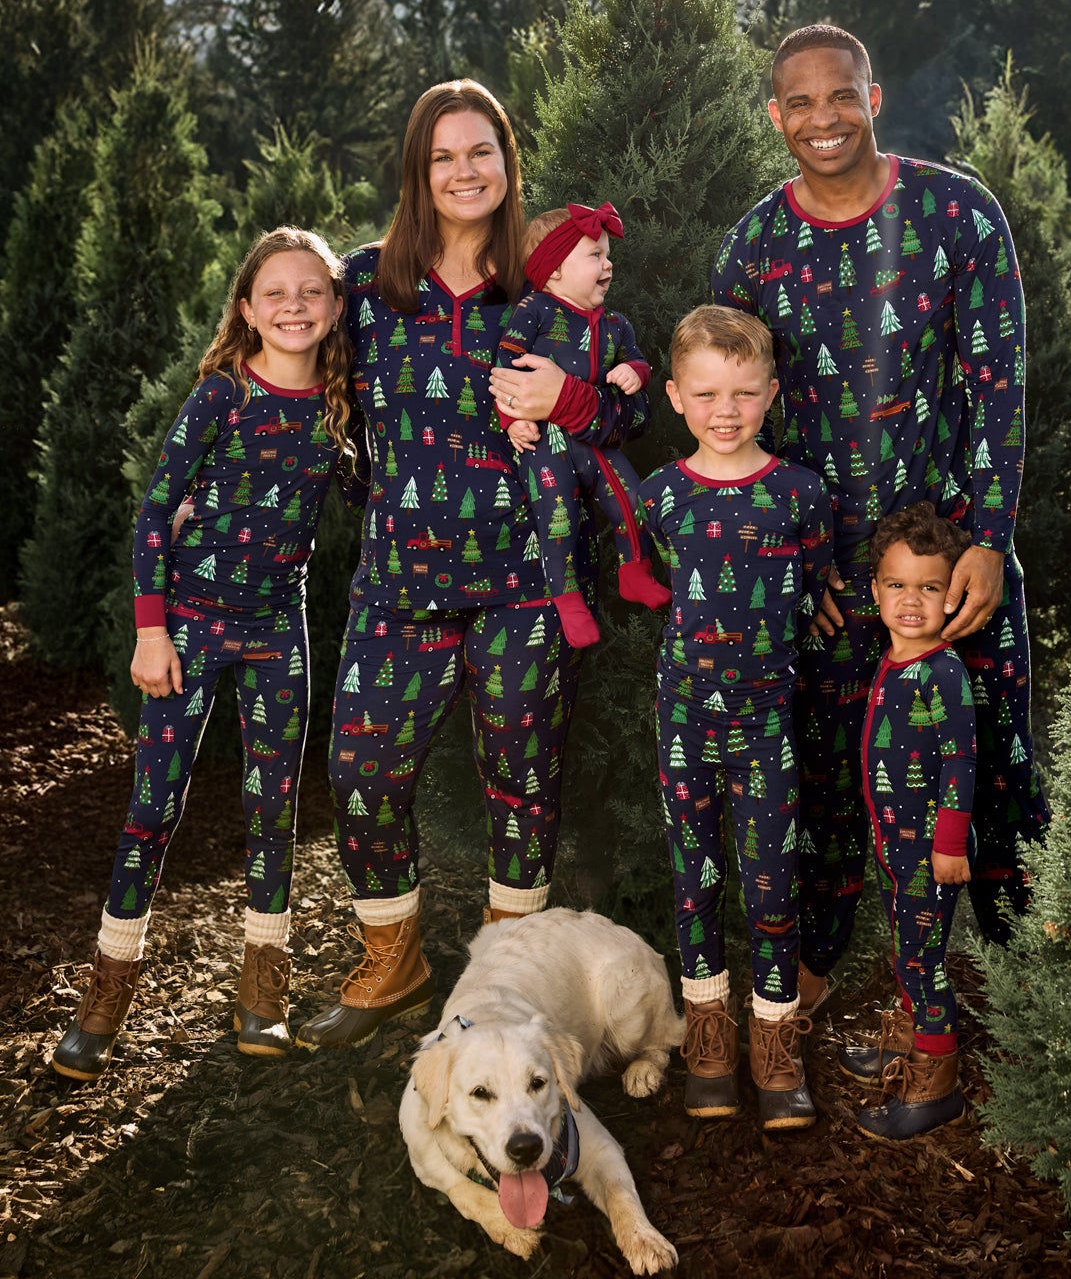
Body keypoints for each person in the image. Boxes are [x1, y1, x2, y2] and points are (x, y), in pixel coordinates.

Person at [296, 80, 647, 1051]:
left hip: (522, 582)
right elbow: (288, 369)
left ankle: (505, 969)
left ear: (507, 162)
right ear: (418, 169)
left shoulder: (545, 286)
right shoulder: (365, 284)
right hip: (398, 583)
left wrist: (569, 396)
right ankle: (392, 962)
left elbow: (625, 414)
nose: (463, 171)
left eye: (480, 152)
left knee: (521, 774)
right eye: (443, 155)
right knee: (360, 769)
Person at [712, 23, 1049, 1012]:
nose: (822, 120)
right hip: (826, 580)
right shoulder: (753, 249)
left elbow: (996, 385)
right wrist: (792, 569)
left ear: (873, 96)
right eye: (799, 104)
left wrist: (988, 537)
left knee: (986, 755)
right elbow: (735, 422)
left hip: (946, 558)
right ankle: (812, 967)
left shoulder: (957, 213)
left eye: (839, 96)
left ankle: (1010, 975)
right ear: (775, 116)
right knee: (822, 780)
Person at [52, 227, 365, 1079]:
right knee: (154, 809)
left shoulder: (340, 407)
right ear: (247, 309)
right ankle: (106, 996)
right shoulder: (220, 398)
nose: (294, 306)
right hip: (190, 625)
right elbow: (156, 513)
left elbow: (373, 493)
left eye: (313, 292)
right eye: (276, 293)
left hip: (279, 634)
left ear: (336, 307)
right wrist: (151, 631)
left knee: (275, 813)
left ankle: (263, 997)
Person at [637, 305, 833, 1130]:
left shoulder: (798, 494)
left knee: (772, 885)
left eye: (746, 393)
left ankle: (774, 1043)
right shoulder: (660, 498)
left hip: (765, 726)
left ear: (771, 394)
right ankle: (708, 1041)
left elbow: (815, 583)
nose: (727, 410)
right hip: (684, 717)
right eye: (709, 392)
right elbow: (650, 584)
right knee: (695, 879)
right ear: (677, 396)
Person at [839, 502, 975, 1138]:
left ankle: (935, 1080)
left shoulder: (943, 672)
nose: (912, 601)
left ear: (952, 596)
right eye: (897, 585)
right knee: (908, 950)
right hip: (897, 845)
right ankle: (911, 1034)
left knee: (924, 960)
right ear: (876, 590)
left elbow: (960, 759)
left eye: (930, 587)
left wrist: (949, 843)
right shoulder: (893, 661)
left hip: (929, 850)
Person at [498, 200, 670, 648]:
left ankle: (635, 570)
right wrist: (511, 420)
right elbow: (505, 367)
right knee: (558, 518)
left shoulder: (615, 324)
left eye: (607, 254)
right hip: (547, 442)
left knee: (633, 498)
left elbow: (635, 361)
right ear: (553, 270)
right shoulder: (534, 310)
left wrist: (637, 372)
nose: (607, 263)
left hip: (596, 440)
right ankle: (567, 597)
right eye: (594, 255)